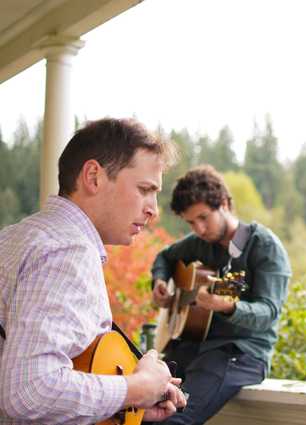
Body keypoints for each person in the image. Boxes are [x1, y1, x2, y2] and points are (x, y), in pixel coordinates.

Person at [0, 118, 187, 424]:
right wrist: (137, 388)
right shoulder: (67, 251)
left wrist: (122, 403)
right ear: (93, 176)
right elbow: (28, 390)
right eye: (144, 189)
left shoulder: (17, 236)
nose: (153, 209)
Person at [151, 164, 291, 425]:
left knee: (174, 419)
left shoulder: (265, 247)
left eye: (204, 217)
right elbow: (166, 257)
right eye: (191, 222)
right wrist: (160, 280)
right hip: (193, 347)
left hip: (241, 353)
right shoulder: (199, 244)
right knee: (142, 407)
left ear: (225, 204)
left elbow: (268, 313)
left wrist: (229, 307)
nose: (199, 229)